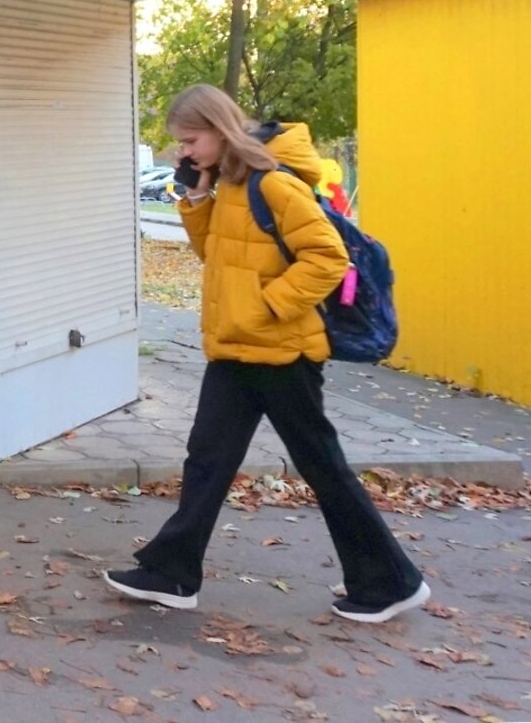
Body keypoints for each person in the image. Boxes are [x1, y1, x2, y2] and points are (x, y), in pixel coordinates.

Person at [105, 84, 428, 624]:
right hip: (236, 351)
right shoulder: (228, 183)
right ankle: (172, 573)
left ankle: (390, 581)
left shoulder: (273, 184)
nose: (184, 152)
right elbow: (215, 253)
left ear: (219, 127)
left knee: (323, 466)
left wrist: (266, 306)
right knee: (207, 461)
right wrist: (197, 195)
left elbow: (326, 259)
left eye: (190, 140)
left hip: (282, 354)